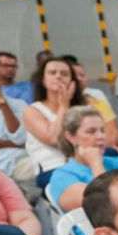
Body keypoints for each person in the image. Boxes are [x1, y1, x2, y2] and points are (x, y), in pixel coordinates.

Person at [21, 56, 89, 187]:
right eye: (52, 73)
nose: (58, 77)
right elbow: (53, 139)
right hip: (53, 169)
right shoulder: (32, 110)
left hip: (86, 164)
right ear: (43, 80)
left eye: (64, 74)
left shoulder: (83, 109)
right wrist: (63, 106)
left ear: (72, 81)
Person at [46, 105, 118, 212]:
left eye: (102, 130)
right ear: (71, 137)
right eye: (91, 131)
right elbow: (105, 203)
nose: (100, 136)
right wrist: (96, 164)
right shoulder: (62, 176)